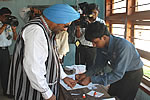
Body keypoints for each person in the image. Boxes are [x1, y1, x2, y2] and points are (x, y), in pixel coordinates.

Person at [6, 4, 80, 100]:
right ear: (56, 19)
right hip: (33, 91)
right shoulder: (36, 31)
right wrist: (47, 94)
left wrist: (63, 76)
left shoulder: (48, 30)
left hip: (43, 87)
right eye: (65, 26)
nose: (65, 29)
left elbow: (53, 58)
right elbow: (33, 67)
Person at [76, 22, 143, 100]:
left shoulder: (123, 46)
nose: (93, 45)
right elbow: (99, 65)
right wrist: (85, 74)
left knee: (123, 97)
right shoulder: (101, 46)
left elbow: (117, 75)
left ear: (104, 37)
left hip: (132, 74)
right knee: (111, 95)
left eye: (95, 42)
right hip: (118, 72)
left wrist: (91, 79)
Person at [75, 3, 105, 70]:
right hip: (81, 47)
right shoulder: (84, 21)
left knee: (91, 67)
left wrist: (90, 25)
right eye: (91, 12)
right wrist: (78, 29)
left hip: (93, 49)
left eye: (95, 12)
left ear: (98, 12)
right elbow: (78, 36)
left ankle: (89, 80)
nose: (93, 14)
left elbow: (102, 36)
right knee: (79, 67)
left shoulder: (101, 22)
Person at [0, 7, 17, 96]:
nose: (8, 18)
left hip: (5, 51)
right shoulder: (3, 25)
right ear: (0, 16)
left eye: (9, 17)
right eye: (6, 16)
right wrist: (4, 25)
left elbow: (14, 38)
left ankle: (7, 91)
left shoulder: (9, 25)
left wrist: (14, 31)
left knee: (6, 72)